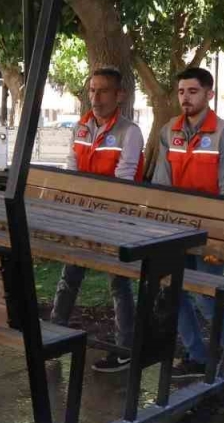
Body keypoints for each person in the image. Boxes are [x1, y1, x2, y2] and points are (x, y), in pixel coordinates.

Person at [150, 66, 224, 386]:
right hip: (176, 229)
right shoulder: (168, 130)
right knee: (172, 293)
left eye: (193, 91)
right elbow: (161, 184)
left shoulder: (223, 133)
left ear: (209, 94)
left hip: (211, 232)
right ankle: (196, 355)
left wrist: (220, 242)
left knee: (207, 298)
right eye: (181, 92)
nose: (185, 98)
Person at [50, 67, 144, 372]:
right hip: (82, 217)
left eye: (103, 91)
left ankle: (124, 348)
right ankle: (53, 335)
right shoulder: (81, 126)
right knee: (69, 277)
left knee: (119, 285)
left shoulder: (130, 132)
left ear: (120, 96)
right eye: (92, 90)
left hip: (115, 221)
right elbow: (71, 168)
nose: (95, 97)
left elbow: (124, 179)